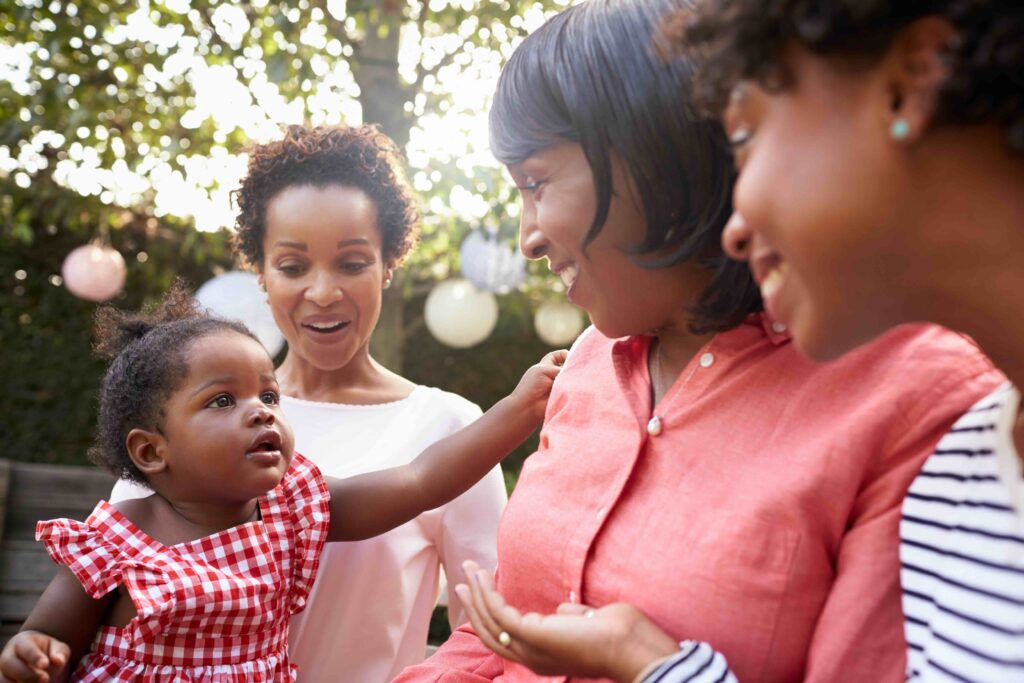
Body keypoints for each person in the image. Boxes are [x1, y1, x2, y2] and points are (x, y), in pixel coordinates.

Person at [395, 1, 1003, 682]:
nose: (527, 236)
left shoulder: (923, 399)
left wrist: (651, 665)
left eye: (537, 183)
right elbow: (498, 628)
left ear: (661, 152)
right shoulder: (589, 361)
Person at [0, 284, 562, 683]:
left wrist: (518, 410)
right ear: (152, 450)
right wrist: (32, 652)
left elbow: (419, 481)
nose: (262, 411)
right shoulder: (118, 541)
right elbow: (47, 635)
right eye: (223, 400)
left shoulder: (290, 509)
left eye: (269, 395)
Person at [111, 124, 509, 681]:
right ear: (263, 275)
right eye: (294, 267)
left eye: (351, 263)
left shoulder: (450, 428)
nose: (323, 292)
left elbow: (488, 638)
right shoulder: (183, 419)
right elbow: (111, 596)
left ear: (388, 264)